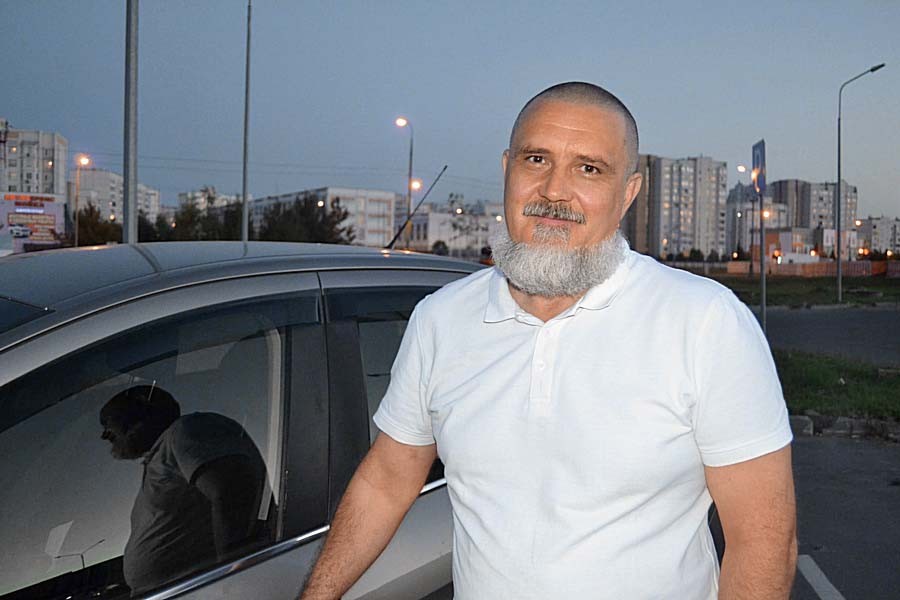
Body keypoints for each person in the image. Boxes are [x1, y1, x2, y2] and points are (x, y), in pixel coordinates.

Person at [301, 82, 796, 599]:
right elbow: (386, 481)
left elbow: (763, 542)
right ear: (507, 170)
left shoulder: (705, 323)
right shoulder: (441, 320)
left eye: (589, 169)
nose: (554, 191)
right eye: (536, 160)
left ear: (627, 193)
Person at [100, 384, 267, 596]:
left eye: (108, 421)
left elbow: (232, 491)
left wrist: (230, 575)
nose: (104, 435)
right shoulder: (163, 452)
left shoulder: (185, 431)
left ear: (138, 413)